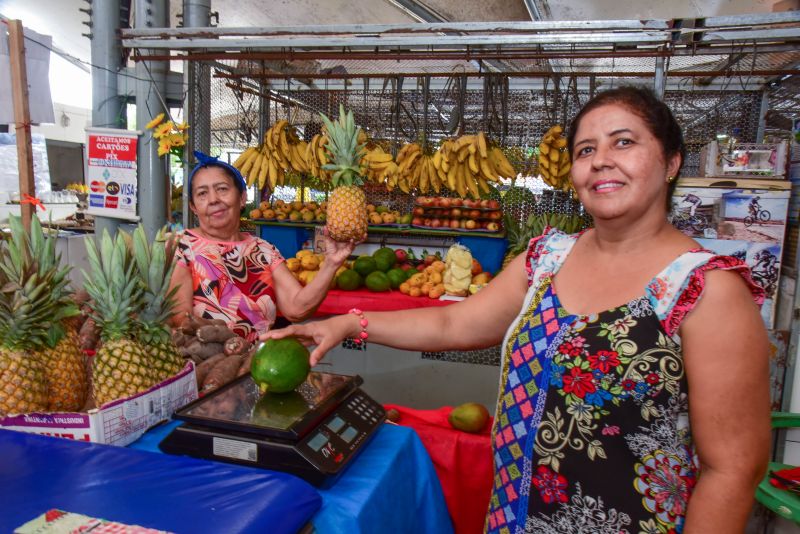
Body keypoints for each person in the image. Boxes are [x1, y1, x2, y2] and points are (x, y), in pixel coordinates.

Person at [263, 87, 770, 533]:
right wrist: (349, 323)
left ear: (672, 160)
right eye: (585, 149)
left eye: (624, 142)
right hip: (515, 516)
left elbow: (733, 470)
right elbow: (454, 321)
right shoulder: (546, 259)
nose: (600, 160)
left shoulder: (705, 288)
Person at [169, 151, 356, 342]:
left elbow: (297, 309)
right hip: (206, 363)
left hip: (260, 362)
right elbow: (181, 321)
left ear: (242, 198)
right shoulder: (181, 247)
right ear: (193, 207)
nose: (213, 199)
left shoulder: (264, 250)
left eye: (222, 189)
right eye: (202, 193)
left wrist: (332, 263)